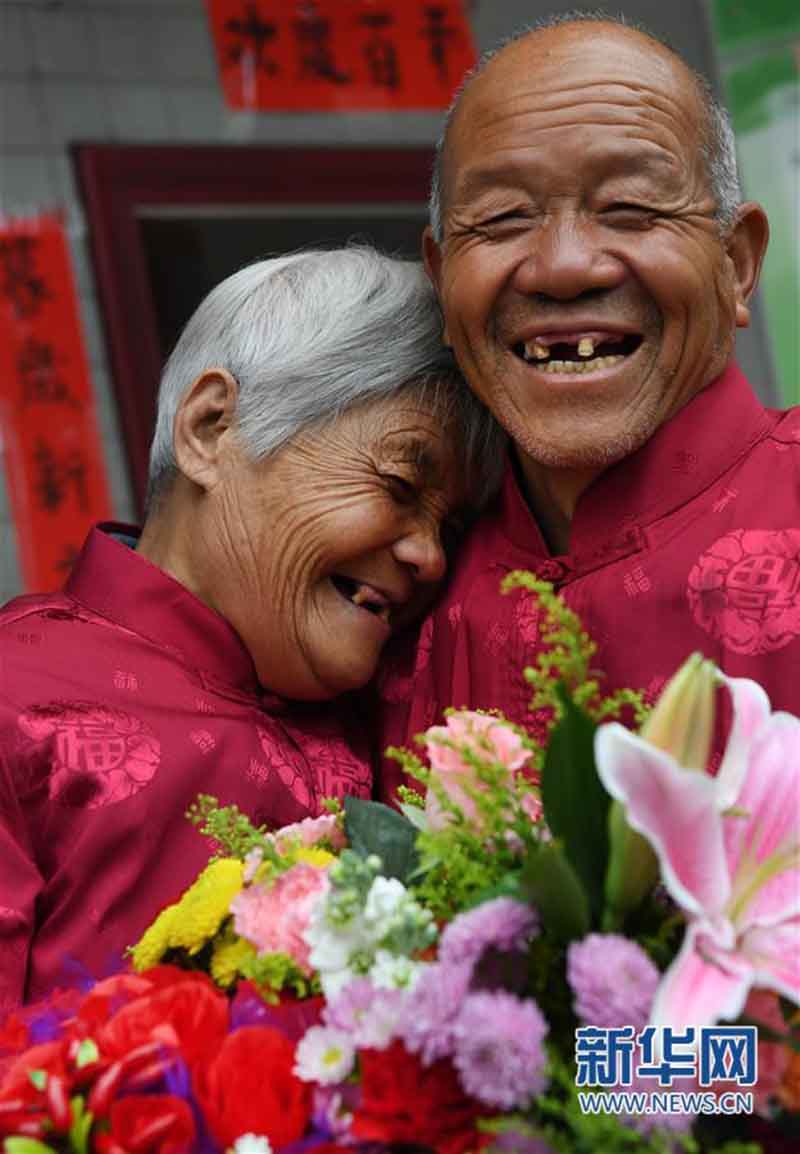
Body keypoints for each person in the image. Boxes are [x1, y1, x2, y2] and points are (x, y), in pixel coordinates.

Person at [0, 247, 503, 1007]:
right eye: (401, 484)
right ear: (210, 428)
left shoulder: (409, 703)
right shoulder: (18, 695)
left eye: (450, 526)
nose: (429, 556)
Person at [379, 14, 799, 791]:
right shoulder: (396, 597)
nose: (564, 267)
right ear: (440, 280)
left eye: (631, 208)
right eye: (503, 218)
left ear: (737, 265)